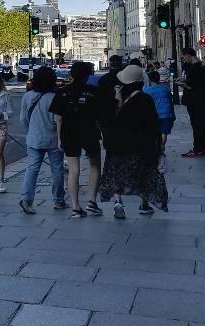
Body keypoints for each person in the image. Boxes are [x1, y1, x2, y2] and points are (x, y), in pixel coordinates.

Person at [99, 64, 168, 218]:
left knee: (116, 172)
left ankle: (118, 201)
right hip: (139, 144)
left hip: (117, 143)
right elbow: (153, 124)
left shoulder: (117, 97)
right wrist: (159, 147)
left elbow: (106, 120)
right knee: (143, 173)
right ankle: (144, 204)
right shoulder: (145, 99)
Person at [48, 61, 102, 217]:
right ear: (87, 75)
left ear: (71, 74)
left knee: (73, 169)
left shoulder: (62, 92)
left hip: (69, 132)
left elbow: (58, 118)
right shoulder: (94, 92)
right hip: (89, 132)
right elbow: (100, 115)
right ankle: (92, 201)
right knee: (95, 165)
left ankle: (75, 206)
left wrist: (59, 139)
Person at [19, 66, 66, 212]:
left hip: (34, 137)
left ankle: (26, 199)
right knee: (57, 169)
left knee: (32, 169)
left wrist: (31, 129)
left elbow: (23, 118)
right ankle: (58, 200)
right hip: (53, 138)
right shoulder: (56, 97)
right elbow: (58, 120)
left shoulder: (28, 96)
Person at [178, 47, 205, 157]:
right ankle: (204, 148)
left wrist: (181, 84)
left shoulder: (195, 68)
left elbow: (191, 86)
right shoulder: (201, 67)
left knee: (196, 125)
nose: (183, 59)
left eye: (183, 57)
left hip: (194, 101)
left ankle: (198, 149)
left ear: (188, 55)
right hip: (201, 100)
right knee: (202, 124)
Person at [145, 69, 175, 153]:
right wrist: (173, 114)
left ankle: (156, 148)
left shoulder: (147, 91)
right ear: (158, 79)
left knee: (154, 132)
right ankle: (162, 147)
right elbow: (171, 102)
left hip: (154, 114)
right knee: (164, 132)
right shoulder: (166, 89)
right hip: (166, 113)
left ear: (150, 80)